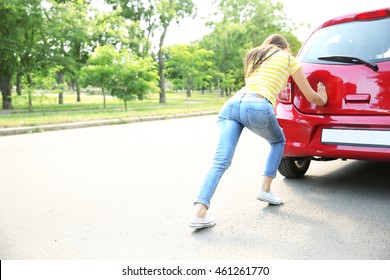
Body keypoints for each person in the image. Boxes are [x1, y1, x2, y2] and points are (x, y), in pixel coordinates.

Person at [189, 34, 328, 229]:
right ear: (285, 47)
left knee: (220, 161)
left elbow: (254, 83)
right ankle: (265, 189)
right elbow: (311, 96)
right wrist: (323, 98)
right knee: (278, 142)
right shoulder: (289, 59)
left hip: (231, 105)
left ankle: (199, 212)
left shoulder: (254, 56)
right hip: (257, 105)